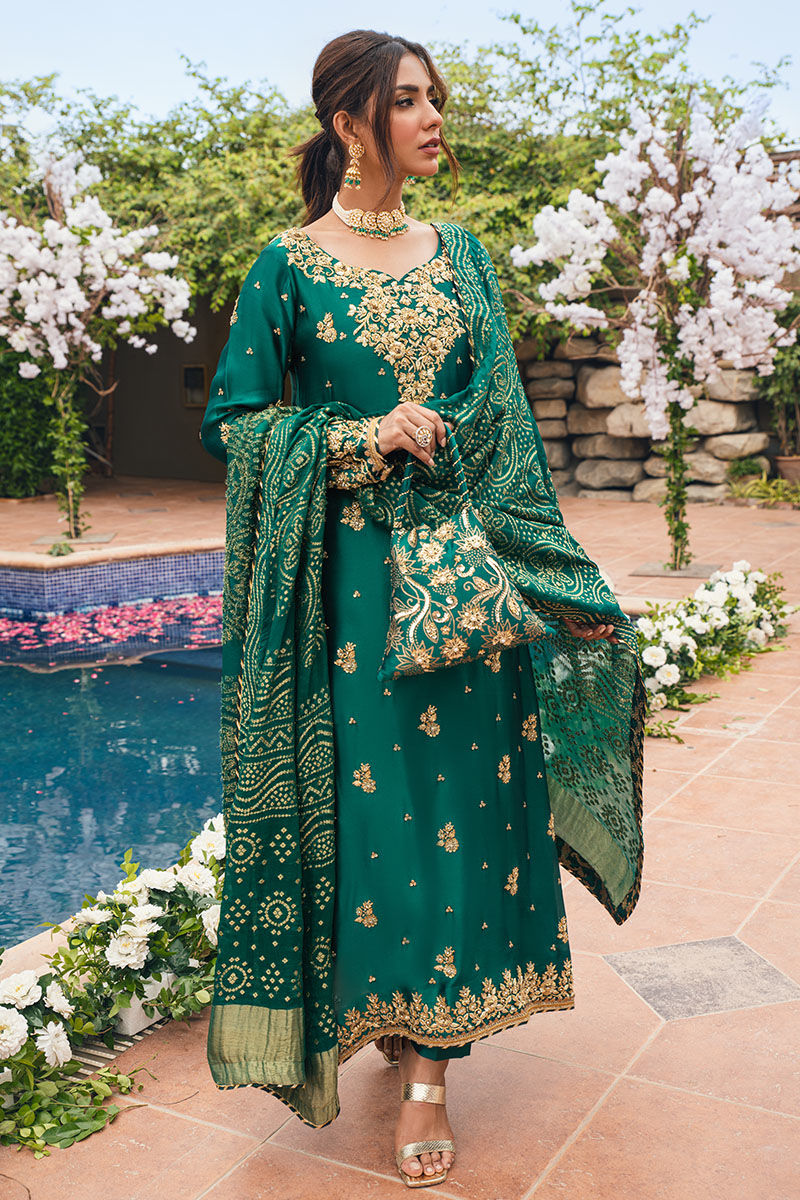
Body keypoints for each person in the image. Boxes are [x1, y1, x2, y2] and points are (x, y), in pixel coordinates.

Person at [200, 28, 645, 1189]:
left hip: (463, 592)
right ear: (348, 122)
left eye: (434, 97)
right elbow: (236, 425)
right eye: (407, 101)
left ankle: (428, 1075)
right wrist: (358, 436)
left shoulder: (463, 257)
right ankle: (386, 1020)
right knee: (376, 827)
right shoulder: (285, 265)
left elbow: (507, 439)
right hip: (346, 602)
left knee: (459, 816)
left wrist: (558, 583)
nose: (433, 116)